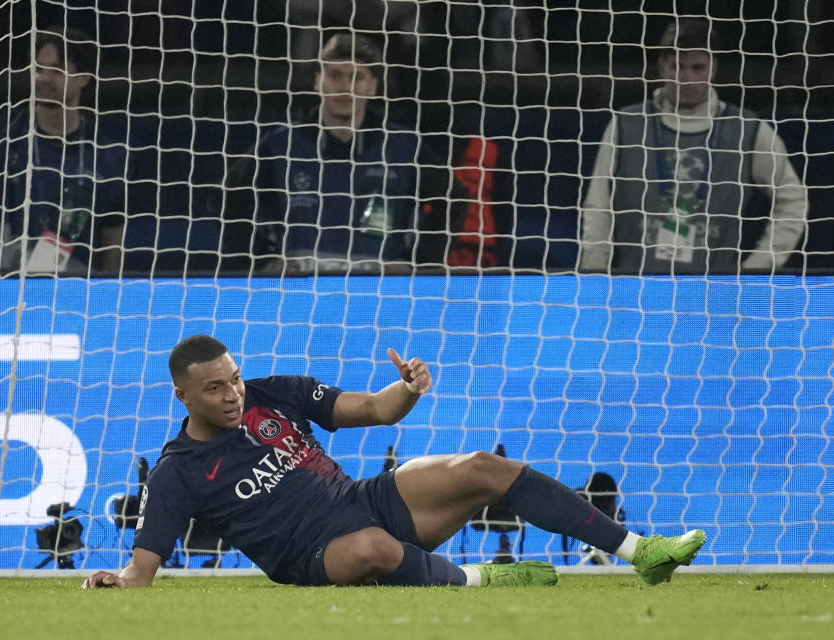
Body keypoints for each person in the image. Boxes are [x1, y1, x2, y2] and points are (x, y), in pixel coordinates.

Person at [83, 334, 706, 589]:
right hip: (308, 558)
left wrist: (407, 387)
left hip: (362, 502)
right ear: (183, 395)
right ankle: (482, 580)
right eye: (215, 388)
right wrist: (121, 582)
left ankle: (639, 553)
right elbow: (144, 565)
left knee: (483, 468)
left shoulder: (274, 396)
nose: (232, 394)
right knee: (374, 551)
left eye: (234, 380)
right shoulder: (177, 471)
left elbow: (377, 411)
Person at [579, 18, 808, 274]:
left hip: (716, 294)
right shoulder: (626, 126)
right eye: (678, 67)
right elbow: (597, 206)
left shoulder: (746, 130)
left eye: (698, 68)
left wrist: (758, 268)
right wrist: (594, 274)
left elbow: (793, 199)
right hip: (636, 290)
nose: (687, 79)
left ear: (713, 69)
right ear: (662, 67)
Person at [221, 33, 452, 274]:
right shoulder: (281, 144)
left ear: (372, 86)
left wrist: (421, 263)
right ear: (318, 81)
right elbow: (224, 200)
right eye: (335, 75)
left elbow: (455, 199)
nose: (345, 87)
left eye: (357, 77)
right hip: (300, 293)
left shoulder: (403, 146)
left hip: (380, 293)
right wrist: (260, 260)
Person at [0, 26, 127, 277]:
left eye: (57, 70)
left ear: (83, 78)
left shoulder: (107, 156)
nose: (43, 78)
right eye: (39, 68)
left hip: (77, 296)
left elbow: (113, 243)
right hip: (7, 293)